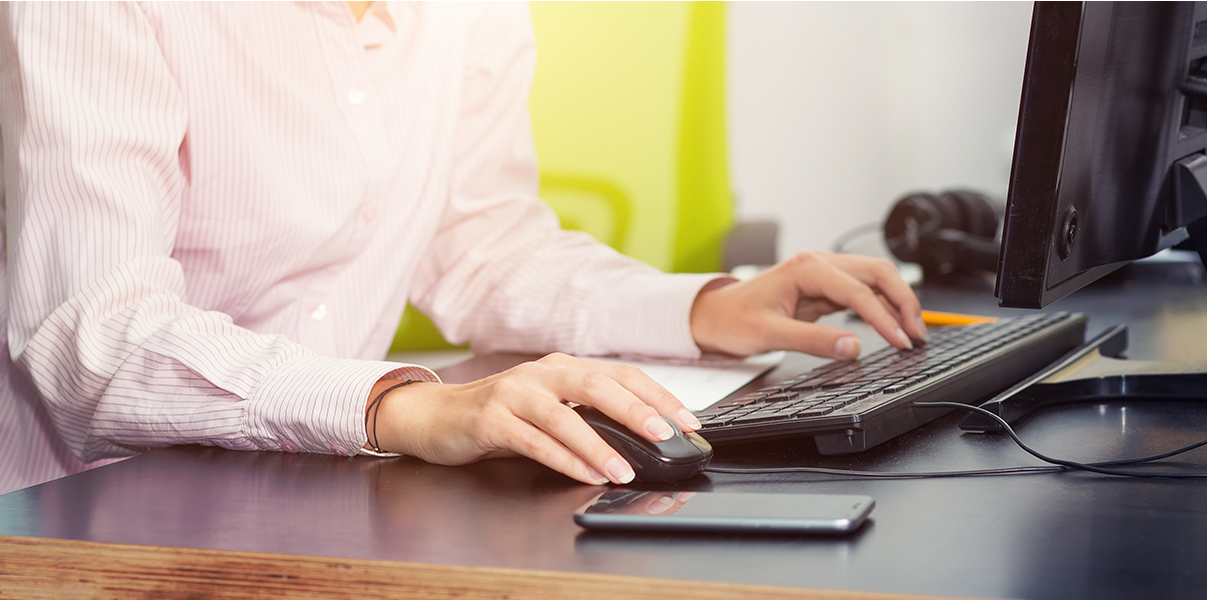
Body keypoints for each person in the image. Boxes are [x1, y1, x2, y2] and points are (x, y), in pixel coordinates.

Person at [0, 2, 926, 495]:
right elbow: (97, 336)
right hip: (81, 515)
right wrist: (402, 408)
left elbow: (475, 242)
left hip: (321, 485)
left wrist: (698, 308)